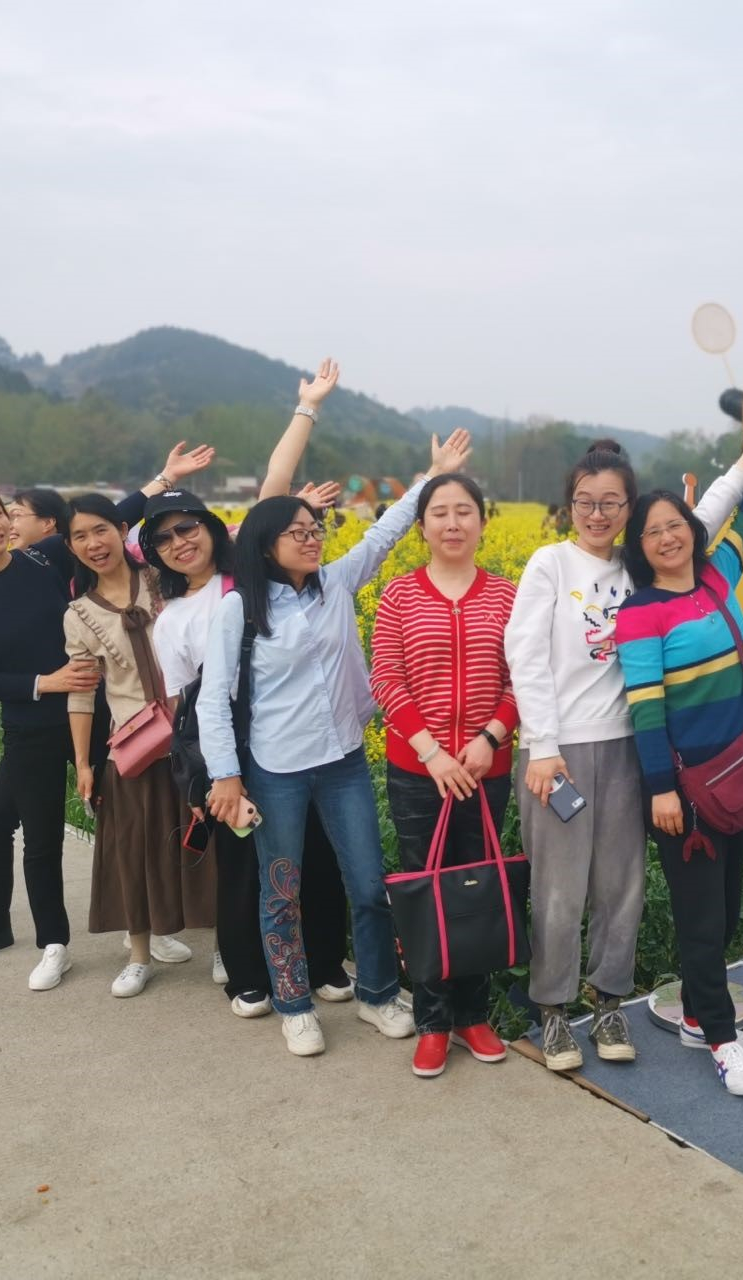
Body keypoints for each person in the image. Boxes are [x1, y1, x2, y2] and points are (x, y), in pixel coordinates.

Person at [504, 426, 743, 1076]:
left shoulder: (638, 566)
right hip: (561, 754)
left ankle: (608, 1000)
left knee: (622, 885)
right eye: (586, 501)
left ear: (627, 509)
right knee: (559, 889)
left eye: (611, 502)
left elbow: (694, 520)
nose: (598, 513)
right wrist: (541, 745)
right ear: (570, 505)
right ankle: (552, 1008)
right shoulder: (551, 563)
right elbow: (525, 655)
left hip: (630, 748)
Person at [201, 430, 474, 1058]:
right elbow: (214, 698)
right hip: (276, 768)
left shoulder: (334, 583)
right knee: (281, 891)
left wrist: (431, 476)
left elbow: (384, 534)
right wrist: (226, 776)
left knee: (369, 887)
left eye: (314, 528)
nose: (312, 538)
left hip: (344, 760)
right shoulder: (240, 609)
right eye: (298, 531)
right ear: (266, 544)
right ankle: (294, 1005)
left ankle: (377, 993)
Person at [0, 446, 212, 990]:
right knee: (39, 837)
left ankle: (149, 927)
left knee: (132, 827)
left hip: (103, 719)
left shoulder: (43, 560)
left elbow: (104, 523)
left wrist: (163, 479)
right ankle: (53, 943)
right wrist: (45, 683)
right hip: (33, 725)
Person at [145, 362, 356, 1016]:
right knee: (245, 868)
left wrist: (307, 407)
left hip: (293, 736)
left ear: (213, 529)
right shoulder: (171, 619)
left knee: (316, 853)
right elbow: (185, 706)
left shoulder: (247, 569)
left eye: (188, 528)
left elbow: (274, 485)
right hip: (231, 751)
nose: (180, 543)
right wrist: (208, 776)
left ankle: (326, 961)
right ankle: (248, 975)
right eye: (164, 540)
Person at [614, 406, 743, 1097]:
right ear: (640, 547)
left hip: (740, 776)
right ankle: (721, 1041)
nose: (668, 537)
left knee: (722, 906)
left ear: (692, 531)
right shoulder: (640, 613)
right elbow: (646, 709)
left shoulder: (718, 575)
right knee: (700, 918)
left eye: (676, 525)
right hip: (686, 793)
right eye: (653, 531)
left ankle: (697, 1013)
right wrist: (660, 789)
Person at [369, 473, 518, 1079]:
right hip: (418, 771)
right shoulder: (399, 595)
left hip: (486, 768)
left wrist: (489, 738)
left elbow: (524, 678)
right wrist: (432, 753)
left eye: (464, 512)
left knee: (477, 889)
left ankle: (472, 1014)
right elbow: (386, 677)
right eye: (439, 513)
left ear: (483, 521)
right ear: (422, 525)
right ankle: (432, 1020)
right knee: (425, 892)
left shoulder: (507, 595)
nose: (452, 523)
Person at [62, 495, 216, 998]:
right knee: (135, 850)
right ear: (70, 547)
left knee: (209, 843)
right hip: (136, 745)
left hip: (195, 736)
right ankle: (139, 955)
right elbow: (82, 694)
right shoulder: (79, 614)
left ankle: (224, 945)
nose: (93, 543)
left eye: (101, 530)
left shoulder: (163, 580)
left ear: (122, 529)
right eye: (80, 536)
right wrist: (84, 763)